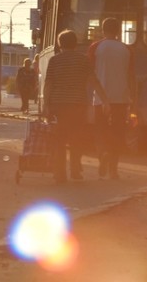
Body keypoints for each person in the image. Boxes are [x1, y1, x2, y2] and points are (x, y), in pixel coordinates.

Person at [43, 29, 109, 183]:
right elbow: (94, 80)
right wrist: (105, 100)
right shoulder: (83, 60)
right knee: (76, 138)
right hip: (78, 104)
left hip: (58, 104)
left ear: (60, 44)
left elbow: (48, 84)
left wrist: (46, 104)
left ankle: (60, 173)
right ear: (75, 43)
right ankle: (75, 170)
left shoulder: (55, 60)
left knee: (59, 139)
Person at [88, 17, 135, 179]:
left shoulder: (96, 47)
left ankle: (103, 155)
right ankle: (113, 170)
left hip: (101, 98)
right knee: (118, 133)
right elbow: (130, 75)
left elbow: (90, 71)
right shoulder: (126, 50)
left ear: (103, 30)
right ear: (118, 31)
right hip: (121, 98)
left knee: (100, 131)